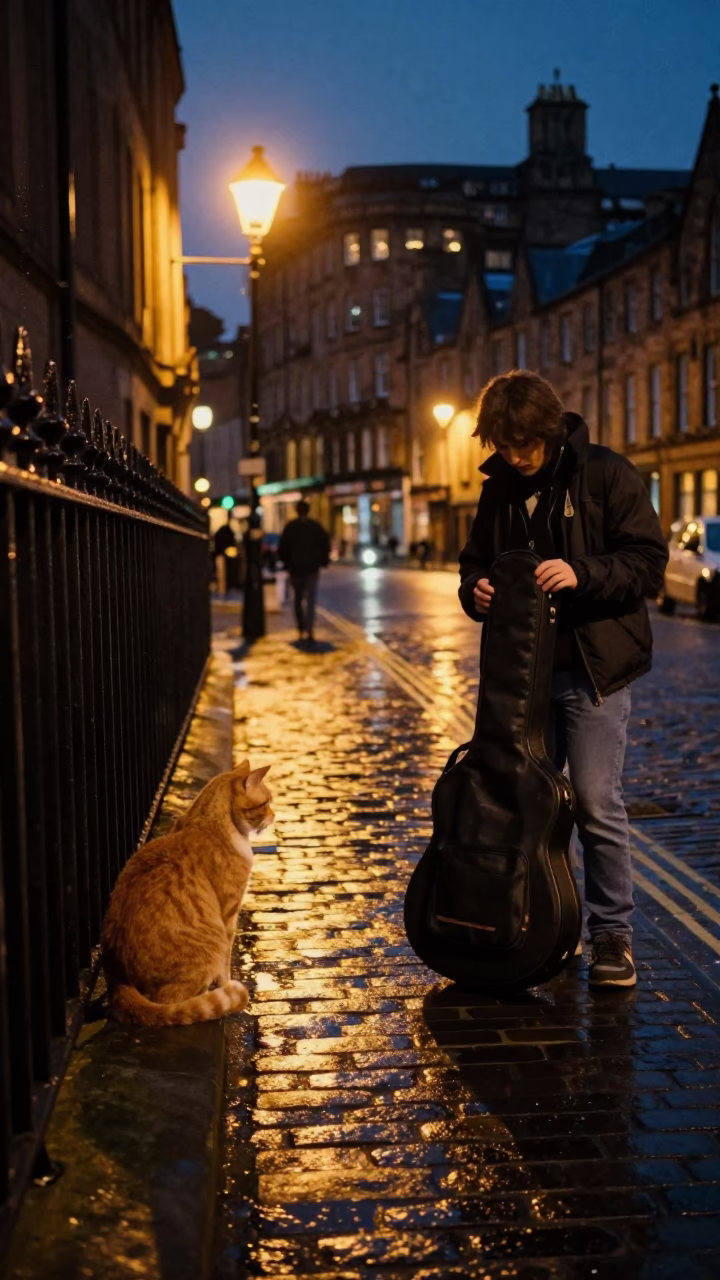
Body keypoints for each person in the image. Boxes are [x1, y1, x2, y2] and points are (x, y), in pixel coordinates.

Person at [458, 371, 668, 989]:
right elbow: (473, 562)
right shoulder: (497, 491)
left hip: (594, 673)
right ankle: (539, 925)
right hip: (521, 680)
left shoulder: (604, 473)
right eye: (503, 443)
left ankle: (612, 939)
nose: (515, 455)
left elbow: (647, 562)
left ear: (548, 430)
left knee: (598, 805)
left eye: (524, 442)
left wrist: (581, 573)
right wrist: (477, 590)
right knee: (528, 808)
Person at [278, 500, 331, 644]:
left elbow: (283, 548)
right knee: (310, 600)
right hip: (311, 568)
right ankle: (309, 628)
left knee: (298, 599)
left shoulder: (291, 527)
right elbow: (325, 544)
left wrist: (286, 563)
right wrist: (323, 561)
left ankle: (301, 627)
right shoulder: (315, 527)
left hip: (296, 569)